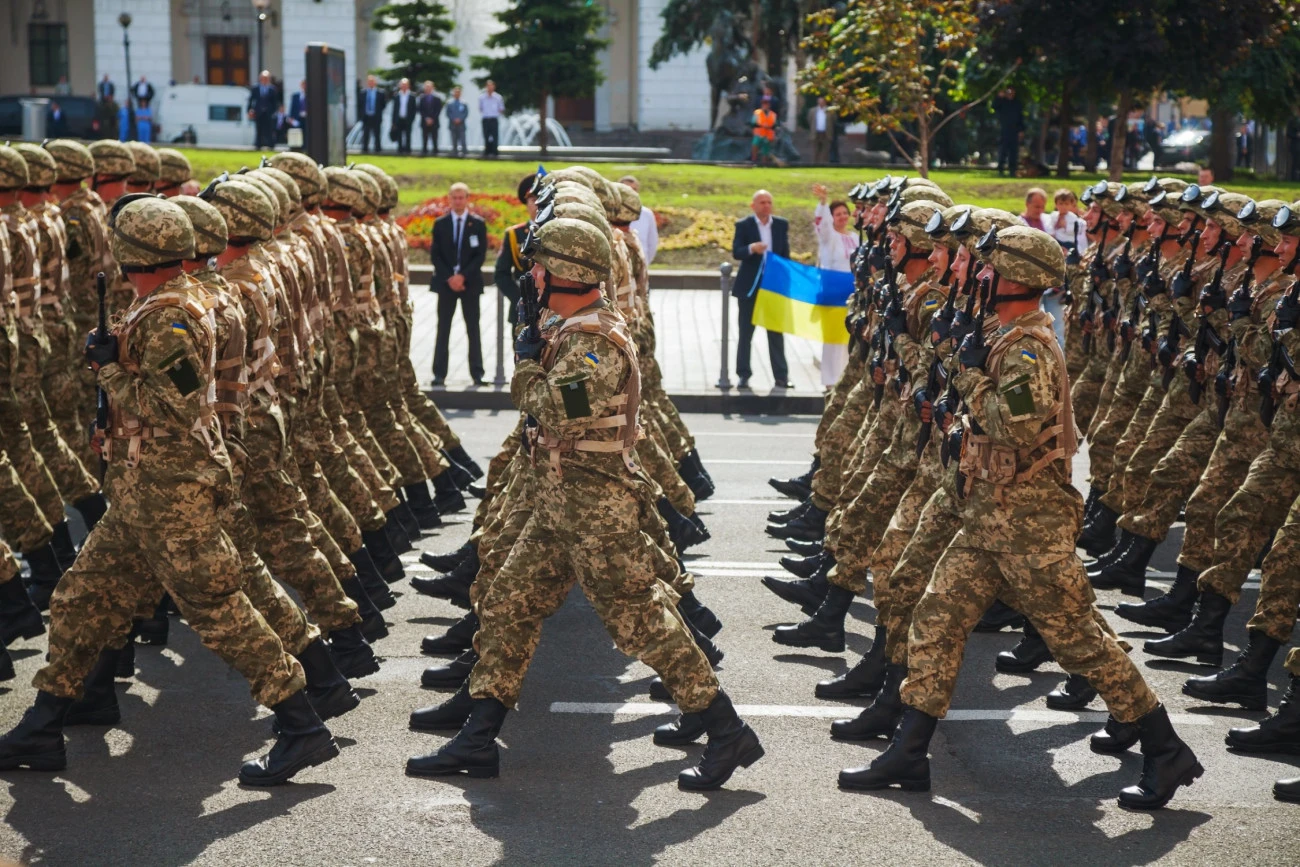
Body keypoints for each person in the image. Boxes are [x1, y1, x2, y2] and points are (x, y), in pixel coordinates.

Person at [842, 224, 1203, 811]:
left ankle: (1167, 750)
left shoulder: (1029, 349)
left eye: (989, 269)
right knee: (934, 620)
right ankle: (909, 751)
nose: (978, 276)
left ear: (1017, 279)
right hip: (988, 519)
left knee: (1081, 644)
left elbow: (1013, 425)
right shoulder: (1002, 336)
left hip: (1030, 526)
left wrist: (964, 369)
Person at [405, 215, 763, 790]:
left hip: (596, 511)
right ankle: (478, 735)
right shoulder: (573, 329)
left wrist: (523, 365)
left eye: (542, 267)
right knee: (506, 603)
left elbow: (554, 409)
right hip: (559, 504)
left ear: (567, 273)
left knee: (643, 622)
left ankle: (726, 732)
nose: (535, 276)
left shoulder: (594, 345)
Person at [0, 196, 340, 786]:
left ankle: (302, 724)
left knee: (218, 606)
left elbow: (173, 408)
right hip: (142, 488)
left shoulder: (169, 316)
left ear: (132, 253)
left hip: (170, 489)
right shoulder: (171, 303)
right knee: (82, 595)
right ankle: (44, 722)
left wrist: (106, 370)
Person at [730, 189, 790, 389]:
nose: (766, 205)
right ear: (753, 205)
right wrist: (751, 249)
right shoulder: (744, 225)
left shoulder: (781, 225)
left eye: (769, 202)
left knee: (775, 332)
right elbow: (736, 252)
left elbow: (785, 255)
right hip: (750, 287)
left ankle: (781, 376)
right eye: (762, 202)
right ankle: (743, 375)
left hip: (772, 287)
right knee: (746, 333)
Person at [430, 182, 488, 386]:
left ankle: (477, 373)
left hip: (469, 284)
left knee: (473, 328)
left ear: (467, 199)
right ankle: (439, 373)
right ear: (449, 199)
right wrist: (451, 278)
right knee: (443, 328)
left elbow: (480, 255)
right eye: (454, 197)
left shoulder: (478, 224)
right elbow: (435, 256)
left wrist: (462, 276)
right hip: (446, 284)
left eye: (461, 197)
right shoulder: (440, 224)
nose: (458, 201)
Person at [811, 183, 855, 387]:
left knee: (848, 337)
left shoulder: (855, 238)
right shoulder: (829, 238)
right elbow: (823, 226)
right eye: (838, 214)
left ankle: (844, 379)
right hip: (832, 294)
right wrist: (822, 202)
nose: (842, 217)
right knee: (831, 339)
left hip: (852, 295)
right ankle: (830, 381)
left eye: (845, 213)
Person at [1042, 188, 1087, 345]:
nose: (1063, 207)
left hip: (1068, 245)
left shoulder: (1073, 218)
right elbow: (1048, 229)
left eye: (1067, 203)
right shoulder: (1052, 216)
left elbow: (1075, 232)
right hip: (1056, 243)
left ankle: (1062, 287)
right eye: (1060, 203)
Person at [494, 175, 538, 326]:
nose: (538, 205)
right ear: (526, 203)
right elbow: (501, 274)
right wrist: (519, 297)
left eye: (543, 200)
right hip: (522, 310)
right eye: (533, 200)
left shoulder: (560, 233)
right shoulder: (514, 234)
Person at [620, 175, 659, 266]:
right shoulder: (610, 213)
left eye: (634, 189)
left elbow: (652, 243)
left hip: (641, 267)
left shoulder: (646, 214)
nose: (631, 193)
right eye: (627, 189)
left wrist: (644, 264)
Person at [993, 87, 1023, 176]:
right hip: (1004, 130)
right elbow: (994, 106)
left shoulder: (1017, 103)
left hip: (1015, 130)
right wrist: (998, 97)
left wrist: (1021, 130)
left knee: (1014, 151)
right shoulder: (1002, 102)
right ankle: (1000, 169)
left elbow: (1020, 117)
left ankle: (1012, 170)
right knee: (1003, 150)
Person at [247, 70, 280, 150]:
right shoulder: (255, 88)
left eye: (266, 78)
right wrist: (249, 110)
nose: (264, 80)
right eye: (263, 78)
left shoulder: (272, 89)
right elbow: (251, 100)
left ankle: (270, 145)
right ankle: (258, 145)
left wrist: (274, 111)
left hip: (269, 112)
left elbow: (275, 102)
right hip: (258, 112)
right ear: (260, 78)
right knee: (259, 129)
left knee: (269, 129)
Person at [360, 75, 385, 154]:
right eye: (369, 82)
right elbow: (360, 105)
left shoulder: (380, 93)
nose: (371, 83)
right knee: (366, 134)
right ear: (368, 83)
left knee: (377, 134)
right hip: (366, 117)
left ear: (375, 83)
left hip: (376, 116)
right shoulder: (363, 92)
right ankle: (365, 149)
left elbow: (383, 105)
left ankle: (377, 149)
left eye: (372, 82)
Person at [391, 78, 417, 154]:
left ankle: (408, 150)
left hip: (408, 119)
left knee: (408, 135)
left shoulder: (412, 96)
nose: (404, 86)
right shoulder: (397, 95)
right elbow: (394, 109)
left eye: (405, 85)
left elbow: (414, 109)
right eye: (402, 85)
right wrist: (393, 121)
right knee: (399, 135)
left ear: (408, 85)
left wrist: (412, 119)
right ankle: (400, 150)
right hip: (399, 119)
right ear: (400, 86)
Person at [479, 81, 504, 158]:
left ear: (494, 87)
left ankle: (495, 152)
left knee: (495, 136)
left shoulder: (498, 97)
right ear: (486, 87)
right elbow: (480, 108)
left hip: (494, 119)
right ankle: (487, 152)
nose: (489, 88)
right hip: (486, 119)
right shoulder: (481, 97)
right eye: (488, 86)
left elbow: (501, 108)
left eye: (491, 86)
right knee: (486, 136)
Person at [751, 95, 778, 165]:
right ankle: (754, 160)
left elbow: (775, 125)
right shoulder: (757, 112)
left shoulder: (773, 114)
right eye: (763, 104)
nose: (764, 105)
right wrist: (762, 126)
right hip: (758, 134)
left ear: (769, 105)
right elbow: (753, 123)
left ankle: (764, 163)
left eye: (766, 104)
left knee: (765, 149)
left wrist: (769, 127)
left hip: (768, 135)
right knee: (755, 145)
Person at [419, 81, 443, 156]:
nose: (428, 88)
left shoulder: (437, 98)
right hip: (425, 121)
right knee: (424, 137)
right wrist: (426, 118)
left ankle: (435, 151)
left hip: (434, 121)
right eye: (426, 87)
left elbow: (438, 110)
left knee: (434, 137)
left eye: (429, 87)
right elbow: (420, 110)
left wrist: (432, 119)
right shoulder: (421, 98)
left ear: (433, 88)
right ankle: (424, 151)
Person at [809, 97, 835, 164]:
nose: (821, 103)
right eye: (819, 101)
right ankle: (814, 164)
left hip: (826, 133)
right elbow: (809, 120)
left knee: (825, 151)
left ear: (825, 102)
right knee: (815, 151)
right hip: (816, 133)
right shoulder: (812, 110)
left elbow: (834, 121)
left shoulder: (830, 111)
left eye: (822, 101)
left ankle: (824, 164)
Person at [445, 86, 468, 157]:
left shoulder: (464, 103)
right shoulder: (449, 103)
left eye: (458, 92)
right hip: (452, 124)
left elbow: (466, 113)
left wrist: (460, 119)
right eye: (456, 92)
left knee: (463, 139)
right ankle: (454, 152)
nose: (457, 93)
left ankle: (464, 153)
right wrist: (453, 119)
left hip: (461, 124)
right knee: (453, 139)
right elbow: (448, 113)